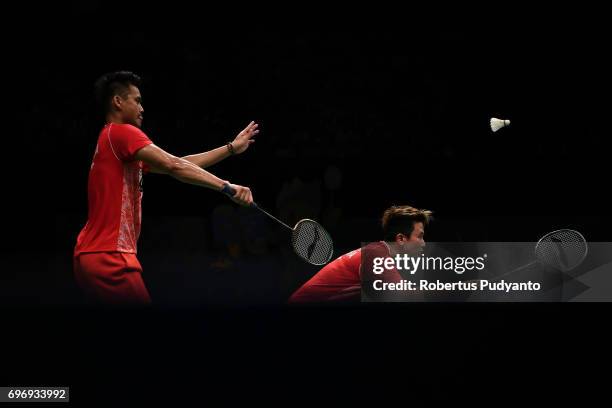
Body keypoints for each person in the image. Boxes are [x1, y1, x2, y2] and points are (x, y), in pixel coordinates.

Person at [74, 71, 257, 305]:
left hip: (90, 257)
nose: (142, 108)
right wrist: (226, 187)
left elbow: (181, 163)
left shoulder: (113, 143)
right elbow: (174, 166)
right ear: (118, 101)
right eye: (137, 100)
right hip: (111, 256)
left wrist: (230, 148)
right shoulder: (122, 132)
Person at [288, 205, 432, 303]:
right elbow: (407, 296)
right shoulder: (376, 255)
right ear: (401, 239)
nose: (423, 243)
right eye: (419, 236)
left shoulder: (378, 253)